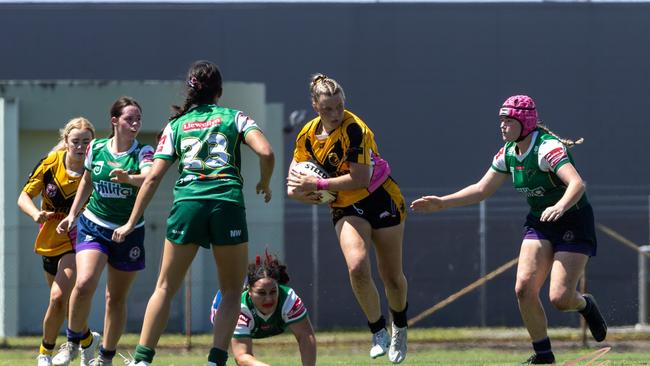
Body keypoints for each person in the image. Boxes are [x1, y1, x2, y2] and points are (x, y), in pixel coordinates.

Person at [411, 95, 607, 364]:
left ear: (524, 122)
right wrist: (442, 203)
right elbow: (481, 190)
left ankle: (586, 304)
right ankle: (543, 354)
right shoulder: (508, 153)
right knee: (524, 288)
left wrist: (560, 206)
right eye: (501, 121)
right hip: (541, 222)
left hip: (573, 220)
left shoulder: (547, 149)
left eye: (508, 121)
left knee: (560, 298)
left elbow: (576, 184)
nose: (502, 126)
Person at [111, 60, 275, 366]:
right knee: (230, 290)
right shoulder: (235, 117)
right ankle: (215, 361)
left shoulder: (176, 125)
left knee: (164, 286)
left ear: (190, 89)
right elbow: (266, 152)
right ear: (220, 90)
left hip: (188, 204)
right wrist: (264, 182)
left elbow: (153, 177)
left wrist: (131, 220)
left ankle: (142, 360)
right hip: (226, 203)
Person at [287, 74, 409, 364]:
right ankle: (377, 329)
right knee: (357, 267)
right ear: (316, 106)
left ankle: (400, 327)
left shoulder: (355, 129)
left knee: (391, 276)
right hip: (345, 206)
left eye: (339, 106)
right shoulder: (307, 133)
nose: (335, 113)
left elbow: (360, 178)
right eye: (328, 108)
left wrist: (315, 187)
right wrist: (297, 191)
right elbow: (295, 177)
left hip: (381, 197)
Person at [54, 97, 154, 366]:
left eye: (138, 120)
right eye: (129, 119)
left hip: (128, 232)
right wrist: (73, 215)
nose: (134, 124)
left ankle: (105, 357)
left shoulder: (143, 151)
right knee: (84, 283)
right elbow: (87, 180)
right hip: (94, 224)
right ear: (114, 121)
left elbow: (149, 177)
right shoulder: (96, 148)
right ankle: (73, 341)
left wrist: (128, 179)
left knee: (115, 298)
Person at [18, 117, 96, 366]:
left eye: (86, 141)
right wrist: (35, 213)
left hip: (78, 238)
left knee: (57, 297)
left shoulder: (95, 169)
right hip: (50, 237)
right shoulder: (51, 163)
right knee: (62, 302)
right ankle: (87, 341)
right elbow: (24, 196)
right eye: (76, 141)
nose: (81, 146)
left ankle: (45, 353)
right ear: (66, 141)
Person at [210, 253, 316, 366]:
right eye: (261, 293)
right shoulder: (239, 308)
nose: (268, 299)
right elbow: (241, 356)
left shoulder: (288, 299)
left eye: (273, 292)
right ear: (249, 292)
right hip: (222, 311)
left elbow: (306, 336)